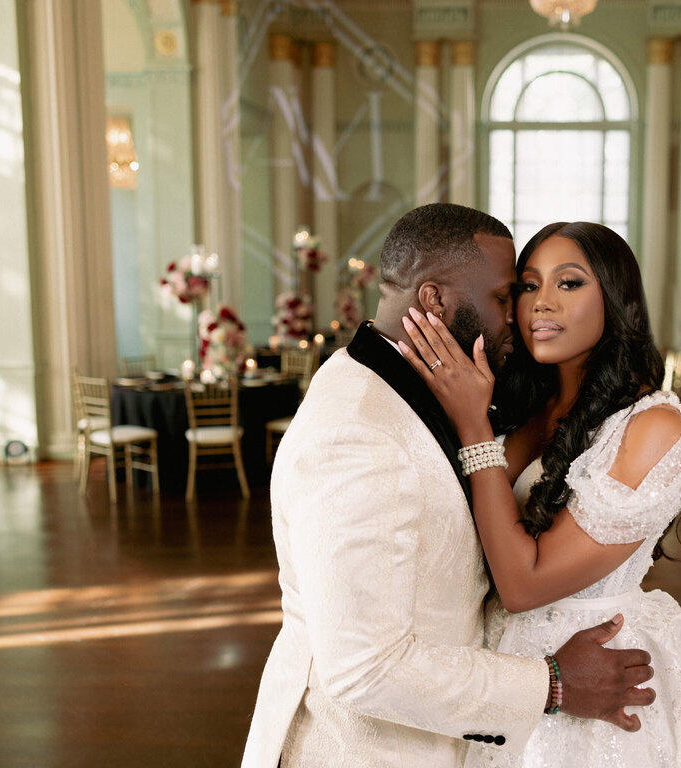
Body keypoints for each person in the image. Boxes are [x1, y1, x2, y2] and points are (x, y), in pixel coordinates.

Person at [241, 205, 656, 768]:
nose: (521, 316)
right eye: (508, 296)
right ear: (435, 300)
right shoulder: (358, 433)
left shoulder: (419, 389)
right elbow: (364, 667)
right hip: (364, 751)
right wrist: (552, 686)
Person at [399, 221, 681, 767]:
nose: (541, 304)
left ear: (615, 300)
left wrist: (474, 428)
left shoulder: (654, 427)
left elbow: (525, 586)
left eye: (569, 284)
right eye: (527, 286)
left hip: (602, 673)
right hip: (505, 669)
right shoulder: (528, 410)